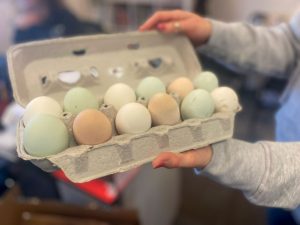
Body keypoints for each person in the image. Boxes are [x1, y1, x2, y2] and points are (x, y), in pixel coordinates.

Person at [139, 9, 300, 224]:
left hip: (283, 175)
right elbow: (291, 43)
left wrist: (225, 157)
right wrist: (211, 33)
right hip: (282, 162)